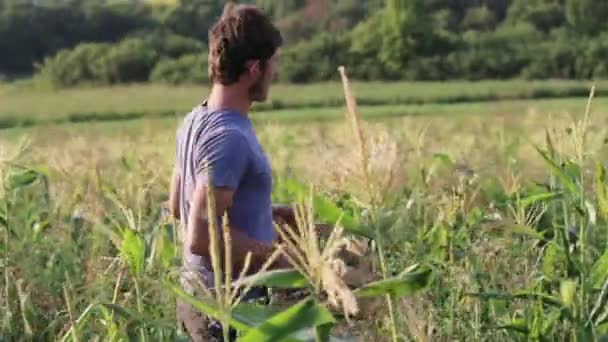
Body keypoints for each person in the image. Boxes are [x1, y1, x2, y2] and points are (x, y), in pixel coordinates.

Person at [169, 3, 297, 341]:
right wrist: (282, 258)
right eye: (272, 64)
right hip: (227, 307)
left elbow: (177, 205)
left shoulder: (196, 119)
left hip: (201, 299)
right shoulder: (229, 138)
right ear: (254, 68)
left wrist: (270, 214)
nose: (274, 73)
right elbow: (200, 237)